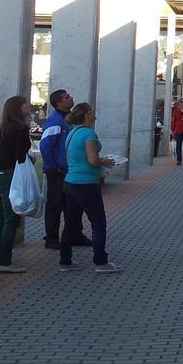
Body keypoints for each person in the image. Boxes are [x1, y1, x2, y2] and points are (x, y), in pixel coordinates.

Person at [59, 102, 121, 273]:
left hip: (70, 182)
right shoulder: (88, 134)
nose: (95, 114)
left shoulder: (72, 133)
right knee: (98, 223)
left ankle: (65, 261)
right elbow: (93, 160)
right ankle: (100, 262)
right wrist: (105, 161)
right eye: (92, 111)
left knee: (70, 222)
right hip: (86, 184)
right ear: (86, 114)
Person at [39, 89, 91, 249]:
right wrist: (52, 167)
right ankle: (52, 238)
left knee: (73, 204)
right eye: (67, 97)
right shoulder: (55, 121)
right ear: (59, 103)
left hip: (69, 171)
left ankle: (75, 234)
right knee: (55, 204)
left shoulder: (68, 119)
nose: (71, 98)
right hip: (57, 172)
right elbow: (45, 145)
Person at [0, 95, 33, 274]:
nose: (29, 107)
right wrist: (30, 156)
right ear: (18, 108)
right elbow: (20, 155)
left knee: (1, 216)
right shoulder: (20, 128)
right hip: (8, 174)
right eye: (25, 105)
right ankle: (5, 262)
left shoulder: (3, 128)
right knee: (11, 218)